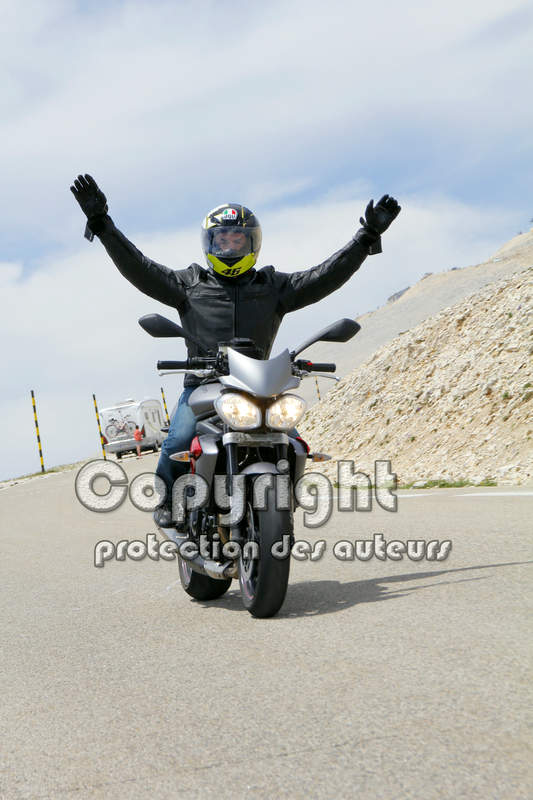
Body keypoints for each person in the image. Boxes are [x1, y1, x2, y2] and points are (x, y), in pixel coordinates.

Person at [70, 174, 401, 526]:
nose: (230, 244)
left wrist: (365, 238)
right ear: (209, 242)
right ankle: (168, 502)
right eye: (222, 237)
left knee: (294, 440)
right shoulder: (188, 284)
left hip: (259, 387)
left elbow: (324, 276)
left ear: (251, 243)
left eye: (238, 237)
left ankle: (281, 501)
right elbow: (139, 267)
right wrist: (102, 225)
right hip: (201, 386)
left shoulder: (274, 287)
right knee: (178, 438)